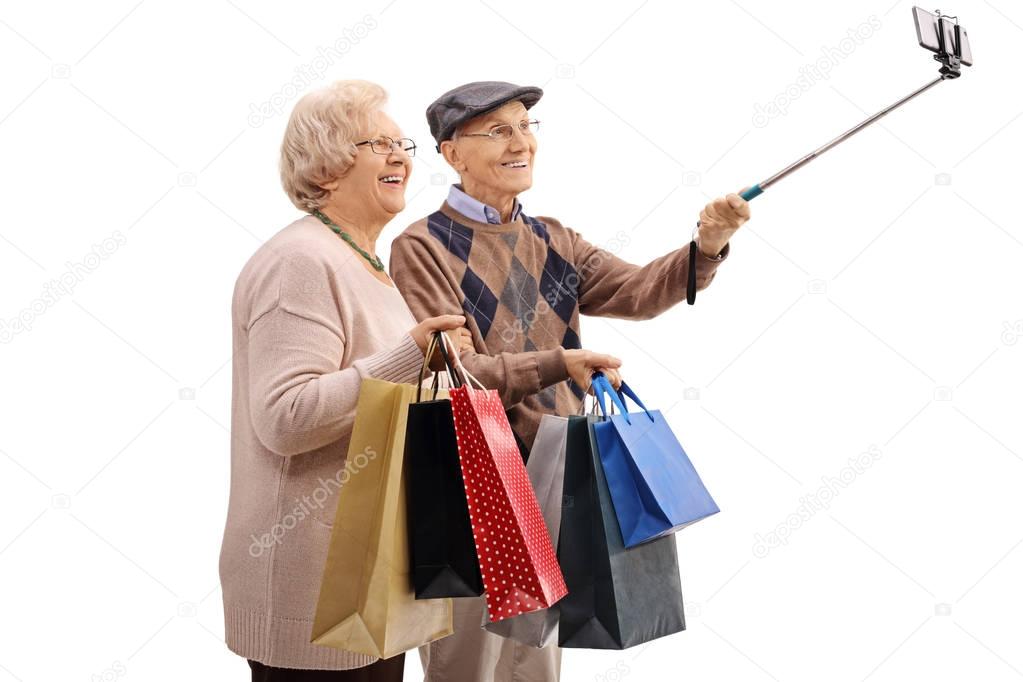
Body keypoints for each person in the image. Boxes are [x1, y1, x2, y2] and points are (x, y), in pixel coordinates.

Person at [389, 81, 750, 681]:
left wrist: (707, 245)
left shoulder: (554, 237)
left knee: (536, 665)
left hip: (557, 472)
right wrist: (560, 362)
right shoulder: (421, 247)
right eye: (499, 130)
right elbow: (457, 374)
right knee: (469, 664)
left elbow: (637, 291)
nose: (521, 141)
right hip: (480, 482)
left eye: (526, 126)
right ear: (452, 153)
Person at [219, 79, 471, 681]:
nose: (400, 156)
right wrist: (409, 358)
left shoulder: (363, 262)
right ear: (327, 164)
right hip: (312, 590)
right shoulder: (301, 260)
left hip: (370, 575)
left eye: (401, 143)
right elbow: (285, 418)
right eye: (376, 143)